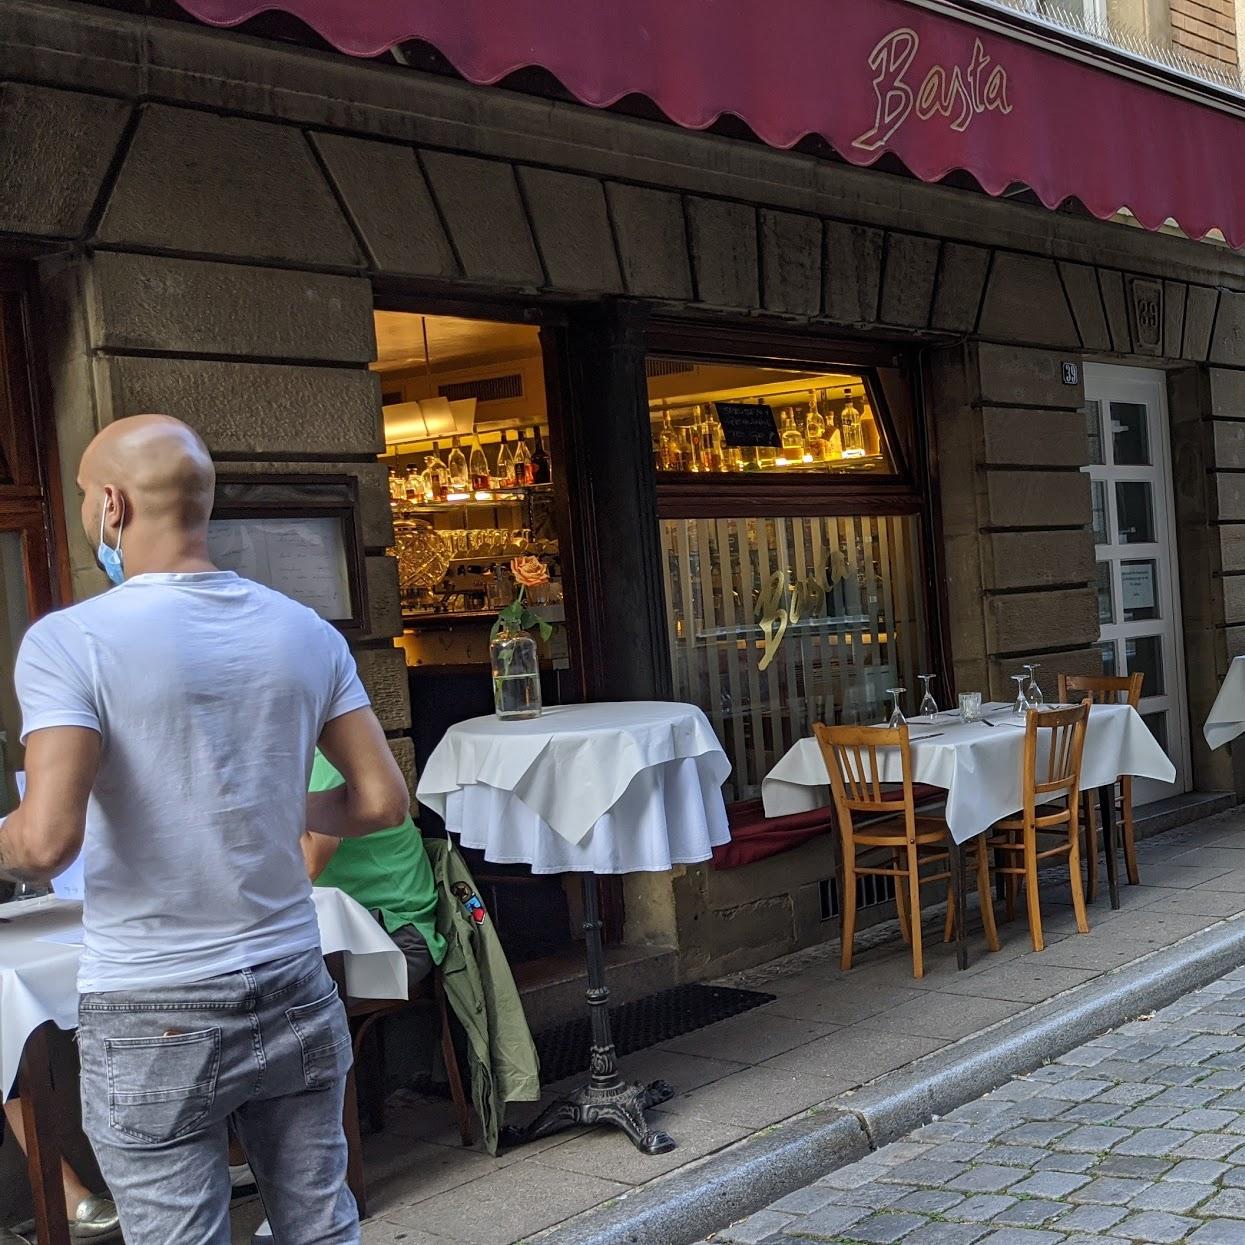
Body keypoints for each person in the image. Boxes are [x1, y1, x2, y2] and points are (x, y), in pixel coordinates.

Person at [0, 414, 409, 1245]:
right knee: (321, 1225)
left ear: (110, 505)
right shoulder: (304, 630)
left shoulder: (69, 643)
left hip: (154, 1003)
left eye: (82, 495)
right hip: (292, 976)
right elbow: (379, 801)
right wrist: (268, 803)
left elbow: (46, 842)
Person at [303, 748, 447, 989]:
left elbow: (305, 865)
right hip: (337, 934)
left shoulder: (323, 761)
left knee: (266, 989)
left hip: (396, 940)